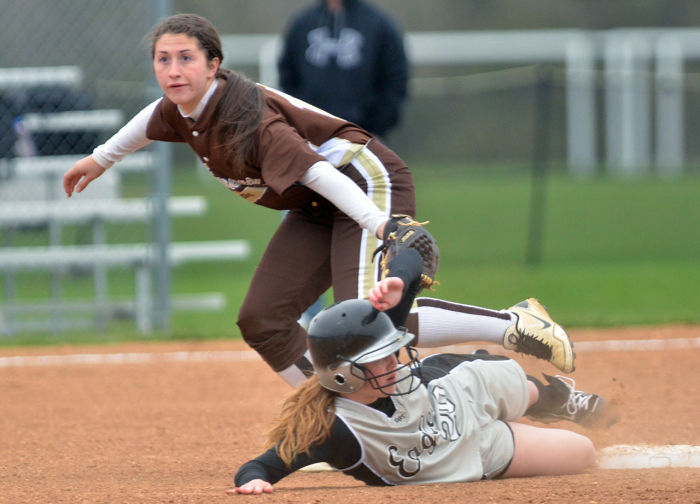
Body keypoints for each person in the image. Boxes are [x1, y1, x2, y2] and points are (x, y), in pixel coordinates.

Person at [62, 13, 574, 388]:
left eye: (187, 58)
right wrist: (99, 159)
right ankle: (332, 418)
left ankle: (516, 325)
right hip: (317, 207)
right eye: (163, 59)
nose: (173, 70)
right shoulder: (182, 107)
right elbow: (150, 119)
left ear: (214, 65)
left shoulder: (250, 120)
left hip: (364, 182)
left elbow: (321, 173)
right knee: (262, 319)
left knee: (368, 321)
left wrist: (381, 227)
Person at [230, 249, 619, 494]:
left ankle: (561, 398)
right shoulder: (335, 431)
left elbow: (412, 255)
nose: (393, 363)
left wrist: (398, 280)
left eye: (390, 354)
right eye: (377, 361)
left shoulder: (397, 367)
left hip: (450, 391)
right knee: (582, 454)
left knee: (518, 387)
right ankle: (528, 415)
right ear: (343, 375)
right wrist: (254, 482)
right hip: (472, 455)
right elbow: (263, 465)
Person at [278, 0, 408, 138]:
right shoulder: (302, 24)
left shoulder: (378, 24)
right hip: (309, 136)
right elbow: (287, 75)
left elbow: (395, 79)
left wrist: (376, 126)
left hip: (363, 137)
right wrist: (299, 120)